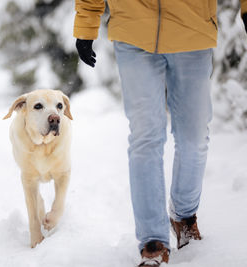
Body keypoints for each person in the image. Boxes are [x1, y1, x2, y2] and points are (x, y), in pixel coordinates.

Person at [73, 1, 247, 266]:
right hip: (133, 30)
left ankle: (184, 215)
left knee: (194, 138)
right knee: (145, 137)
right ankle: (152, 242)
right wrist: (86, 24)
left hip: (193, 30)